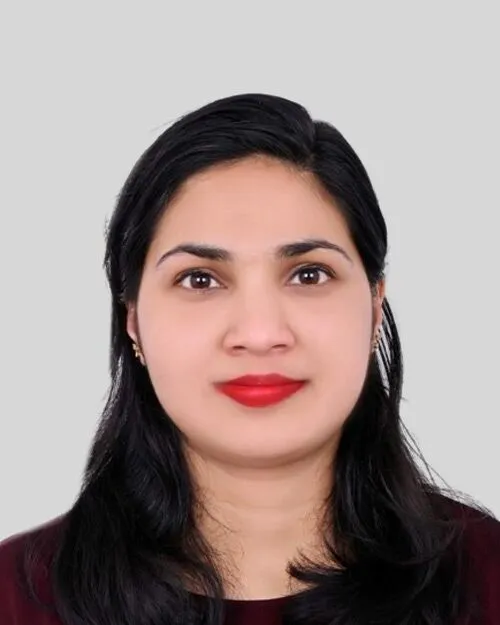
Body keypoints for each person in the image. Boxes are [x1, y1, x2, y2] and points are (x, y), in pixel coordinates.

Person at [0, 93, 499, 625]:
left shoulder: (487, 580)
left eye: (309, 274)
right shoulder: (16, 598)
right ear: (134, 320)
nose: (260, 335)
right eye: (200, 279)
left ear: (375, 307)